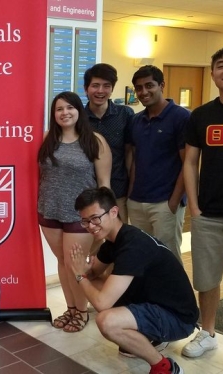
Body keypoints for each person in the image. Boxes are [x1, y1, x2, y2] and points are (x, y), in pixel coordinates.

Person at [71, 187, 198, 374]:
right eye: (85, 221)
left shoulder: (133, 245)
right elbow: (94, 275)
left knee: (107, 321)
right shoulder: (113, 241)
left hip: (178, 318)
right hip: (154, 303)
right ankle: (148, 334)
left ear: (113, 212)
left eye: (95, 218)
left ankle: (165, 367)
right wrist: (85, 271)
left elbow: (101, 303)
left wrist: (79, 274)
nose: (90, 226)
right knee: (98, 284)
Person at [38, 91, 111, 333]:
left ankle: (81, 311)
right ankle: (71, 308)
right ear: (54, 114)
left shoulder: (94, 141)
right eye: (59, 109)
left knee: (76, 264)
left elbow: (104, 183)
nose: (65, 113)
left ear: (79, 111)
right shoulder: (47, 138)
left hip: (81, 215)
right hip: (49, 209)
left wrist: (104, 220)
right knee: (63, 262)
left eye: (70, 107)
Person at [181, 47, 223, 358]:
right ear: (212, 73)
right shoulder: (202, 115)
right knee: (206, 280)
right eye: (221, 66)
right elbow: (190, 162)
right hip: (208, 215)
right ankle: (207, 332)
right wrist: (194, 208)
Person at [127, 65, 188, 263]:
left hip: (165, 203)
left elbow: (188, 163)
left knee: (167, 261)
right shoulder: (136, 120)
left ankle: (173, 295)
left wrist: (173, 202)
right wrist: (131, 195)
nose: (143, 92)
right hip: (137, 202)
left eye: (149, 85)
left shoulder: (181, 117)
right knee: (141, 257)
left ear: (162, 85)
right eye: (139, 88)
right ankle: (147, 296)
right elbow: (135, 159)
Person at [84, 63, 134, 222]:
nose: (100, 91)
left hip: (118, 193)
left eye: (106, 86)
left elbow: (130, 153)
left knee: (120, 241)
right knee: (91, 243)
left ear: (112, 89)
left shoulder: (125, 114)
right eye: (95, 86)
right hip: (86, 194)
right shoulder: (79, 118)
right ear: (86, 89)